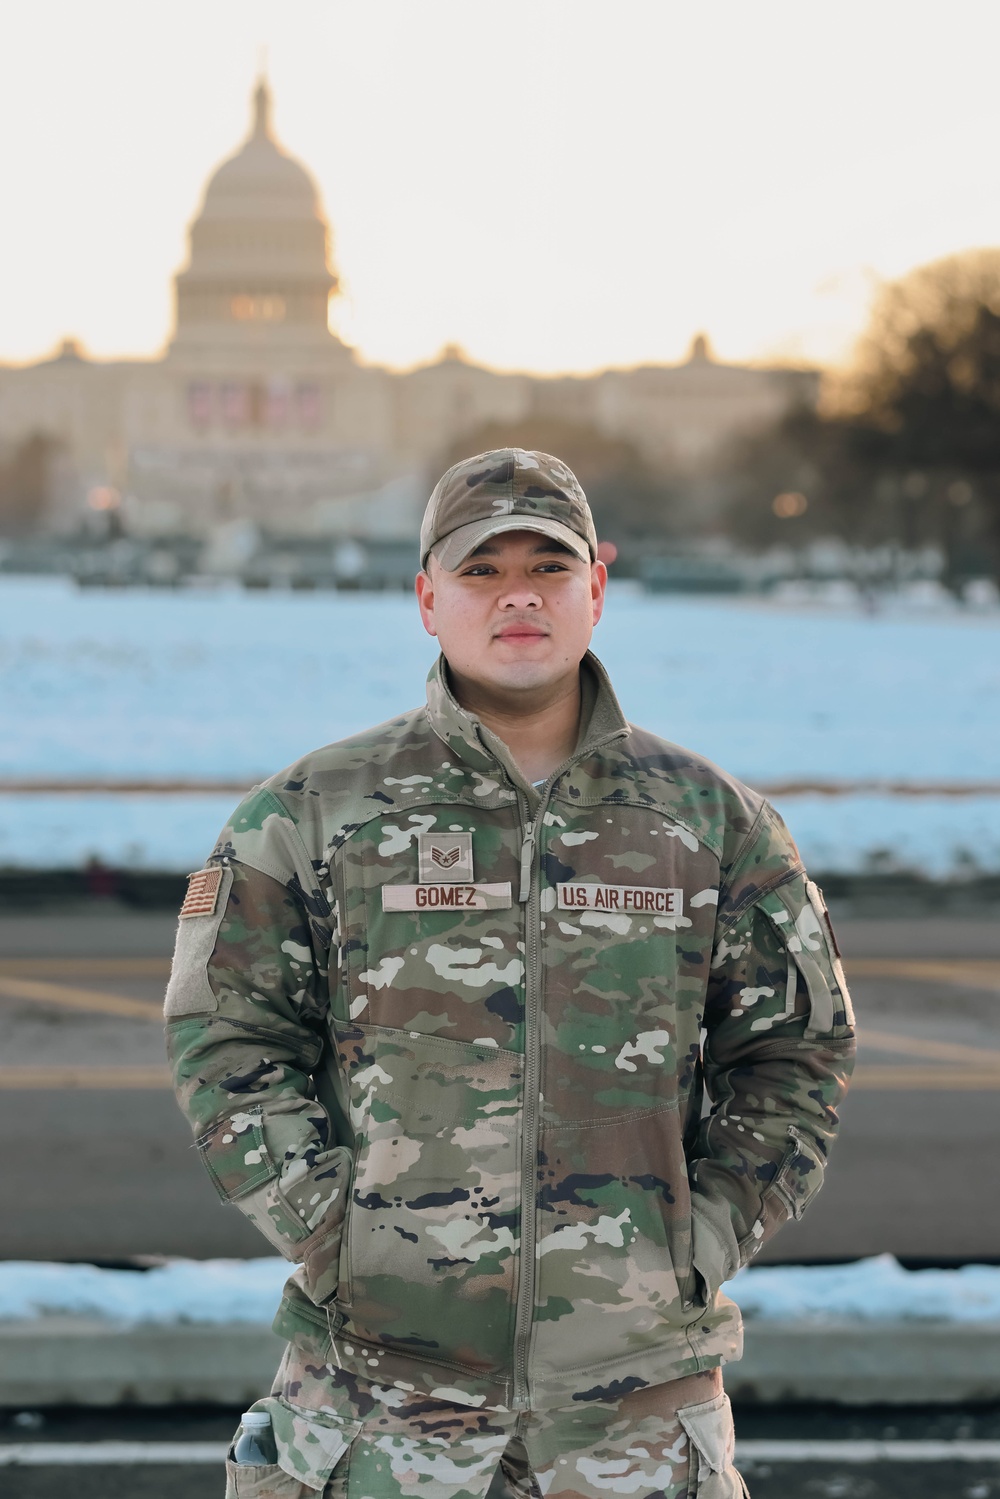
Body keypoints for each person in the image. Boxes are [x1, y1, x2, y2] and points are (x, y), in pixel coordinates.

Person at [166, 449, 855, 1499]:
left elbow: (795, 1052)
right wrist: (331, 1227)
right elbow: (225, 1035)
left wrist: (702, 1236)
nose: (519, 594)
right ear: (426, 599)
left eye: (549, 566)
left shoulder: (710, 822)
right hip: (380, 1399)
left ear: (597, 589)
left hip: (633, 1410)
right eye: (482, 570)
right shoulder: (313, 813)